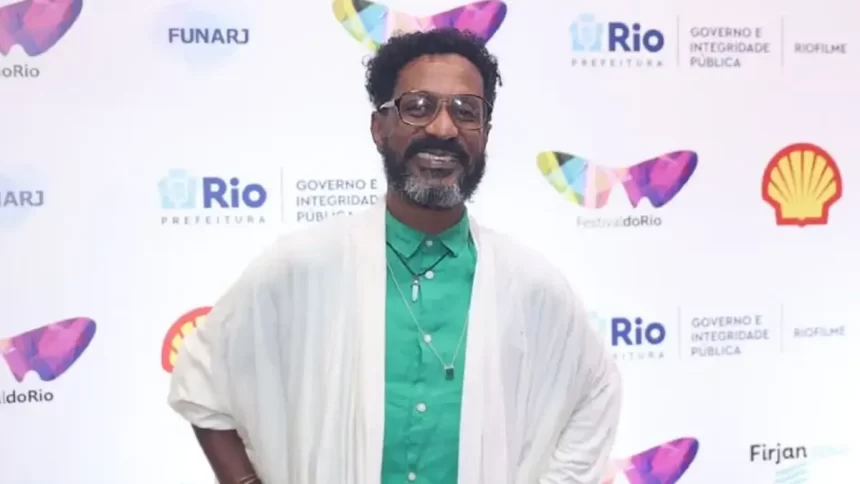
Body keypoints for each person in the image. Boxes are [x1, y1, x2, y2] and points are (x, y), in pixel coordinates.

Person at [168, 28, 622, 484]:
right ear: (379, 128)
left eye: (466, 112)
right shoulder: (306, 264)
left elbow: (596, 389)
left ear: (485, 134)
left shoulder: (528, 282)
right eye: (418, 107)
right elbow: (202, 377)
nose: (443, 129)